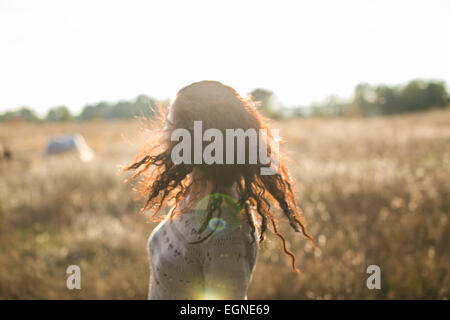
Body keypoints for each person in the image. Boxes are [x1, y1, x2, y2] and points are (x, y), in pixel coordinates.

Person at [126, 80, 314, 299]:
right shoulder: (193, 195)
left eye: (169, 124)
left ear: (195, 137)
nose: (163, 133)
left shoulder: (226, 233)